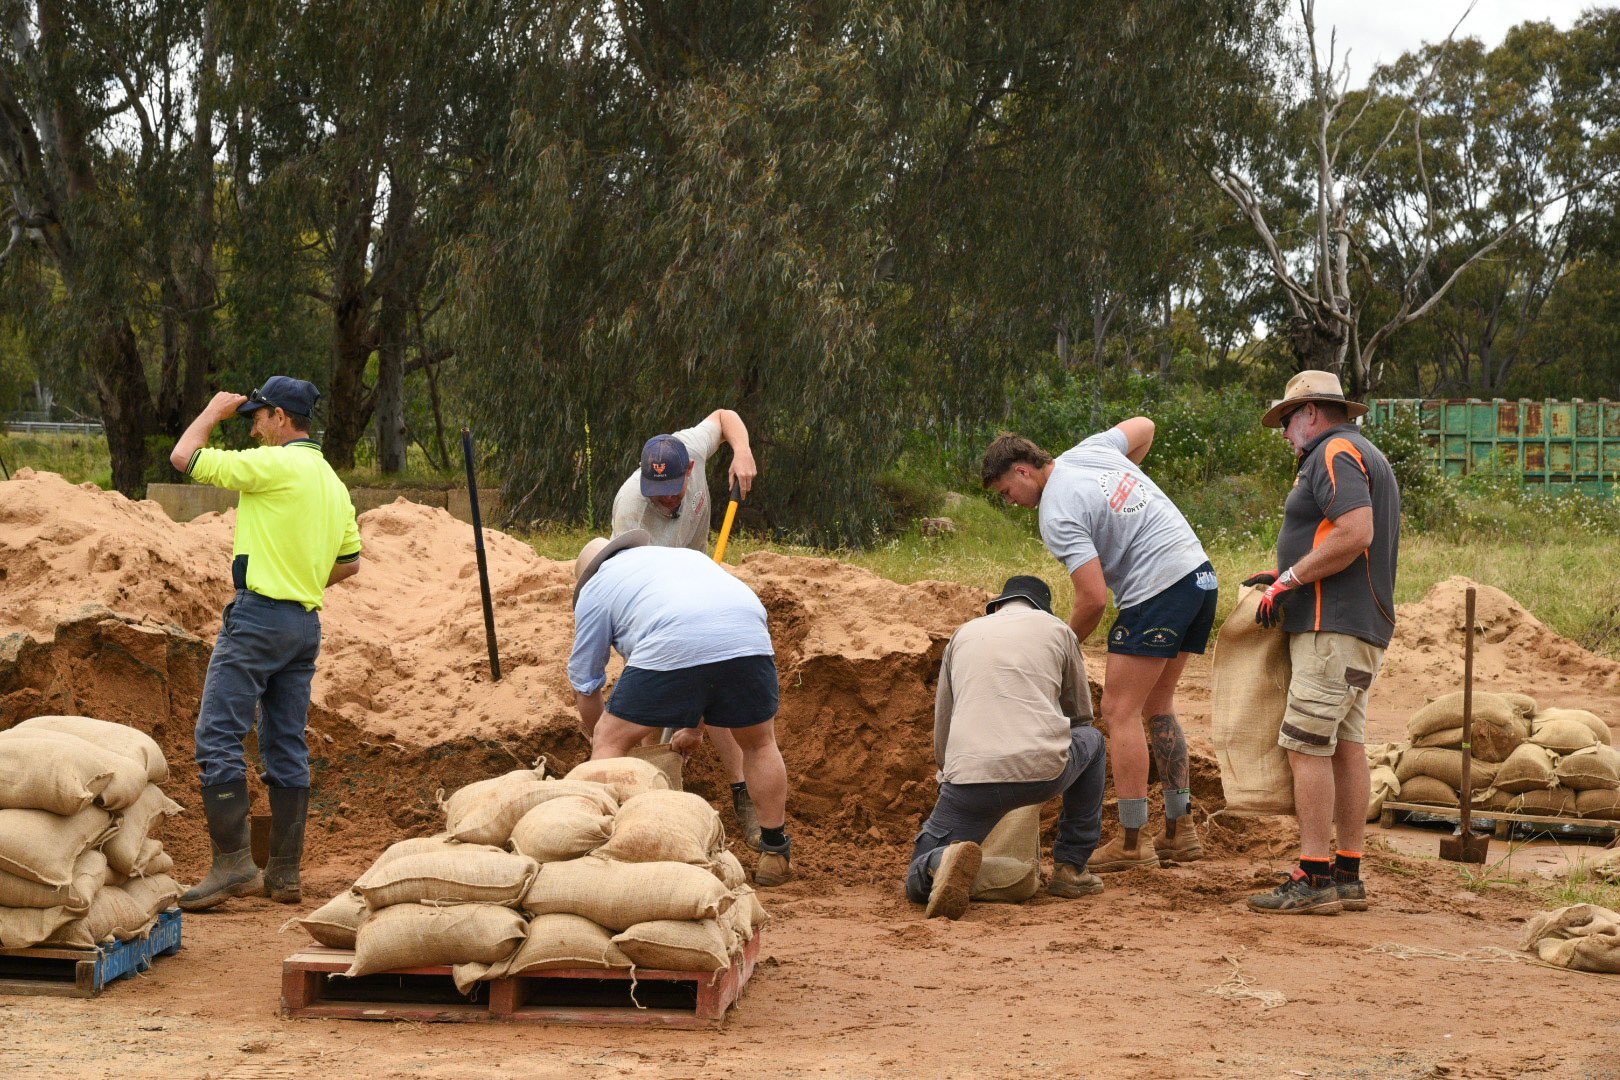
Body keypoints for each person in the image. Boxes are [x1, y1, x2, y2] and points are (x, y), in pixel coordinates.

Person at [981, 417, 1216, 873]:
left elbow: (1092, 598)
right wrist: (1125, 490)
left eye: (1006, 492)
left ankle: (1132, 842)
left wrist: (1059, 649)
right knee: (1158, 705)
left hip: (1158, 587)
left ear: (1024, 471)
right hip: (1200, 576)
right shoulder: (1092, 450)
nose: (1010, 502)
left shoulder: (1056, 512)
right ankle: (1179, 831)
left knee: (1119, 711)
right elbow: (1146, 425)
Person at [168, 377, 362, 911]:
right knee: (285, 743)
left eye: (257, 416)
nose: (252, 426)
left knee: (217, 735)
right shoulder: (331, 482)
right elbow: (351, 562)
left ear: (280, 417)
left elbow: (183, 456)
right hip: (304, 625)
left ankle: (233, 865)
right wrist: (302, 576)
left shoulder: (274, 465)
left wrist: (212, 410)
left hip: (257, 618)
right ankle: (285, 873)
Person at [1245, 371, 1400, 915]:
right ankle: (1346, 871)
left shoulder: (1333, 451)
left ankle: (1312, 875)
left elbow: (1356, 531)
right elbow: (1334, 539)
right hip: (1355, 625)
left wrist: (1290, 580)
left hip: (1330, 628)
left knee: (1304, 744)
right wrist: (1285, 570)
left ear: (1309, 411)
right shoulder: (1361, 450)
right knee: (1346, 746)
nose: (1284, 432)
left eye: (1286, 420)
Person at [567, 531, 794, 886]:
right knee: (760, 743)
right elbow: (707, 652)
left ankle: (603, 841)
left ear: (587, 577)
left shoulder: (596, 590)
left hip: (675, 636)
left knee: (610, 739)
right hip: (748, 632)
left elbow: (586, 685)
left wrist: (605, 740)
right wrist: (694, 726)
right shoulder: (682, 560)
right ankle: (774, 852)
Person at [906, 576, 1108, 920]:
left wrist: (950, 774)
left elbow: (944, 723)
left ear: (997, 606)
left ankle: (941, 861)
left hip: (968, 781)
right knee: (1095, 742)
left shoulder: (963, 634)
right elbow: (1080, 716)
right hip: (1042, 773)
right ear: (1042, 608)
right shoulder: (1059, 631)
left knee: (915, 876)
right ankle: (1071, 868)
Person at [610, 410, 764, 848]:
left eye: (672, 492)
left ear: (690, 469)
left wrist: (742, 450)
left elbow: (725, 416)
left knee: (717, 681)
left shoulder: (689, 448)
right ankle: (640, 792)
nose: (666, 501)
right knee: (653, 695)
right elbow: (641, 602)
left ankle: (745, 794)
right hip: (655, 600)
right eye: (656, 494)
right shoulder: (632, 514)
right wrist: (683, 706)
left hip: (698, 574)